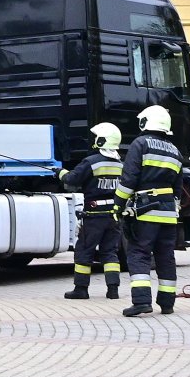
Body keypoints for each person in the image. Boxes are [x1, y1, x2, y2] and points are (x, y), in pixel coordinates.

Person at [115, 105, 181, 318]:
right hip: (169, 212)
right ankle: (167, 302)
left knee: (139, 253)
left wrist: (118, 205)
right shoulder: (175, 151)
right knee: (166, 256)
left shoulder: (140, 144)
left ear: (146, 123)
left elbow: (129, 178)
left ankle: (142, 302)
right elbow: (178, 188)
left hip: (146, 211)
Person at [61, 122, 126, 300]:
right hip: (113, 215)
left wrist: (59, 173)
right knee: (110, 252)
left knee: (84, 250)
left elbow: (72, 179)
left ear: (101, 140)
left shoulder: (92, 162)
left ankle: (81, 289)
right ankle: (113, 290)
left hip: (94, 215)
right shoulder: (121, 164)